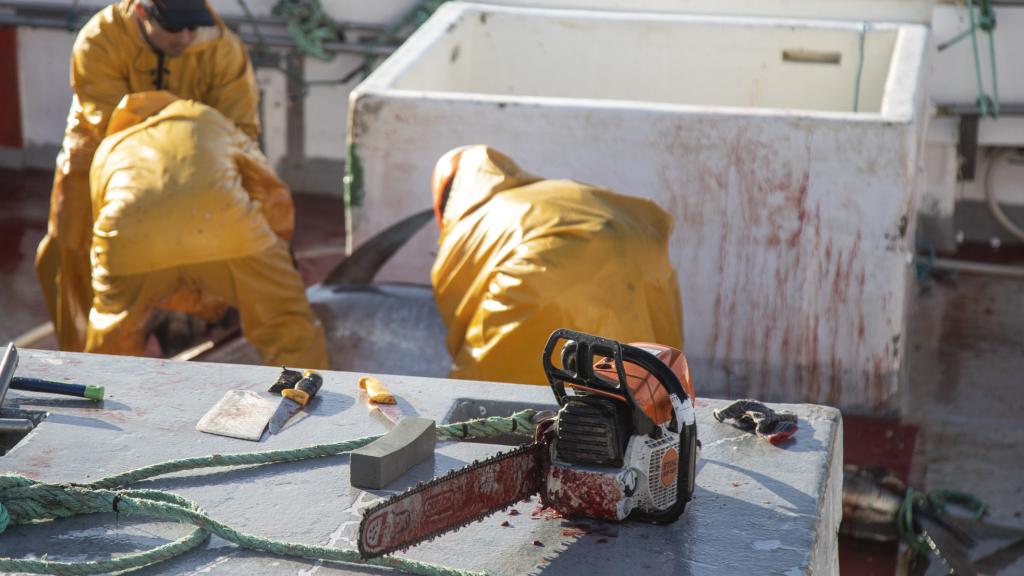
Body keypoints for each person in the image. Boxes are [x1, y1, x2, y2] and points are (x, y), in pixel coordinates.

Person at [36, 0, 261, 352]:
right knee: (72, 249)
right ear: (142, 12)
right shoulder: (99, 40)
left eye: (193, 26)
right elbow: (110, 125)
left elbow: (240, 130)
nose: (185, 37)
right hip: (99, 151)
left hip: (193, 162)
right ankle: (82, 355)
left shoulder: (224, 49)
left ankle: (190, 329)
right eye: (174, 27)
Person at [85, 91, 328, 370]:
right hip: (229, 233)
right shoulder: (206, 117)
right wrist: (278, 253)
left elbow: (98, 226)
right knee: (288, 327)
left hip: (127, 243)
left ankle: (100, 386)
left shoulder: (110, 146)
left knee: (111, 343)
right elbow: (270, 191)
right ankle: (304, 390)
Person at [430, 145, 684, 385]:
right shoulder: (548, 193)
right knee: (643, 382)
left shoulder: (469, 225)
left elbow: (458, 305)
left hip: (537, 269)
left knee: (482, 391)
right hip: (641, 245)